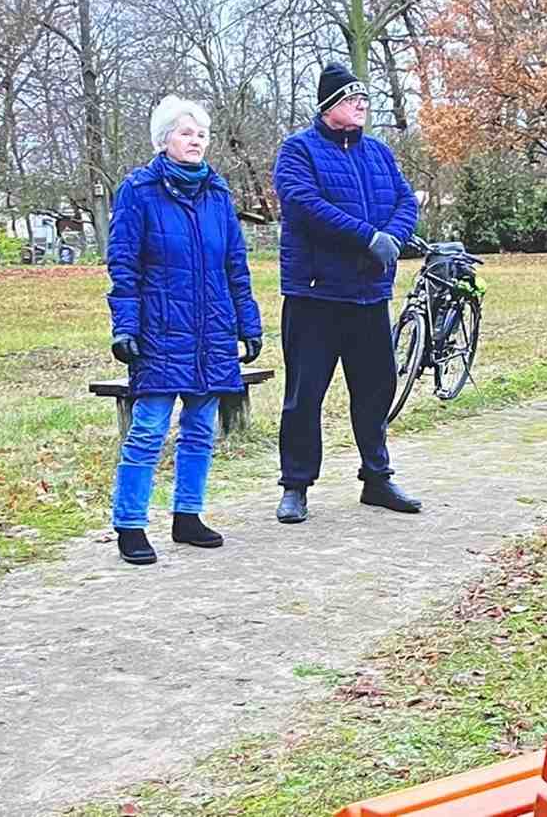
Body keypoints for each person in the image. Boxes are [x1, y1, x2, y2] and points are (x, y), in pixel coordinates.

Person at [106, 96, 263, 565]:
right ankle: (130, 523)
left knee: (200, 429)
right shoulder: (138, 191)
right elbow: (124, 264)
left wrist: (248, 323)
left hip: (212, 330)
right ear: (164, 139)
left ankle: (188, 515)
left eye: (201, 135)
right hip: (160, 329)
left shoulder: (218, 194)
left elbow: (235, 265)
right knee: (148, 430)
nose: (196, 141)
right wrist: (125, 326)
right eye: (185, 133)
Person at [272, 63, 420, 524]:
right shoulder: (298, 151)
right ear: (328, 105)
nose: (361, 106)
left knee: (376, 389)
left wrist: (391, 239)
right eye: (352, 99)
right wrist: (366, 237)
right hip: (315, 296)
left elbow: (405, 201)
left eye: (364, 99)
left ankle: (377, 477)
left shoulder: (379, 153)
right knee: (305, 395)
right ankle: (296, 485)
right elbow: (305, 205)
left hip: (369, 295)